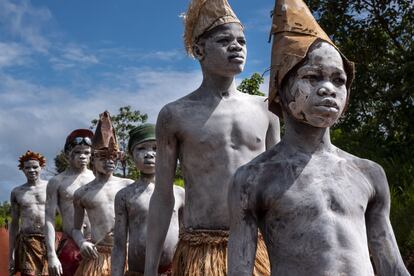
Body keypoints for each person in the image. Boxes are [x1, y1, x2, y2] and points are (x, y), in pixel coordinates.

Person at [227, 0, 410, 275]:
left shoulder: (368, 173)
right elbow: (240, 270)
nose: (328, 89)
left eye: (339, 80)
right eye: (312, 76)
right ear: (281, 87)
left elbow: (392, 265)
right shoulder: (254, 178)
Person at [144, 0, 280, 275]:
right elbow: (162, 195)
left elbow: (279, 188)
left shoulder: (267, 109)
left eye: (242, 41)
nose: (237, 46)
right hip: (200, 250)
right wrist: (150, 268)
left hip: (256, 246)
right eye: (224, 40)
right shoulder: (175, 114)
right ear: (199, 50)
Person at [112, 124, 185, 276]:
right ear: (131, 156)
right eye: (141, 149)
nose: (149, 154)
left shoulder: (179, 194)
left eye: (155, 148)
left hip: (174, 271)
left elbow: (186, 238)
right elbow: (119, 245)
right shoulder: (125, 196)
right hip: (137, 272)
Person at [72, 111, 133, 276]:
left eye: (113, 157)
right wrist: (82, 243)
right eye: (104, 157)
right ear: (93, 159)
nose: (110, 161)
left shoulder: (129, 186)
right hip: (98, 256)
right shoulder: (82, 193)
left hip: (129, 255)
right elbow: (76, 229)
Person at [45, 129, 95, 276]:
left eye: (86, 152)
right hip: (70, 246)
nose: (82, 157)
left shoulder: (97, 179)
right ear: (68, 153)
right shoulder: (57, 182)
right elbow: (49, 218)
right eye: (78, 152)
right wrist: (51, 255)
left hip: (97, 245)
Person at [9, 151, 49, 276]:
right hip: (28, 241)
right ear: (23, 170)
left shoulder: (51, 187)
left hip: (49, 240)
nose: (31, 170)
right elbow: (14, 223)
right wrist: (11, 254)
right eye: (27, 167)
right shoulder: (17, 192)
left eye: (35, 167)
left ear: (41, 167)